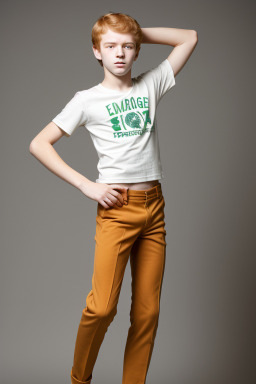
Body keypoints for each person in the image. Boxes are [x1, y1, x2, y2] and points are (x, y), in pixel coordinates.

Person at [29, 12, 198, 384]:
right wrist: (86, 185)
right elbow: (39, 143)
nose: (119, 53)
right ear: (96, 52)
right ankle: (79, 379)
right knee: (103, 307)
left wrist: (133, 32)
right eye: (110, 46)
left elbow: (189, 37)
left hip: (154, 208)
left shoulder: (149, 86)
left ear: (137, 51)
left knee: (147, 313)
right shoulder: (87, 100)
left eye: (127, 46)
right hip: (117, 210)